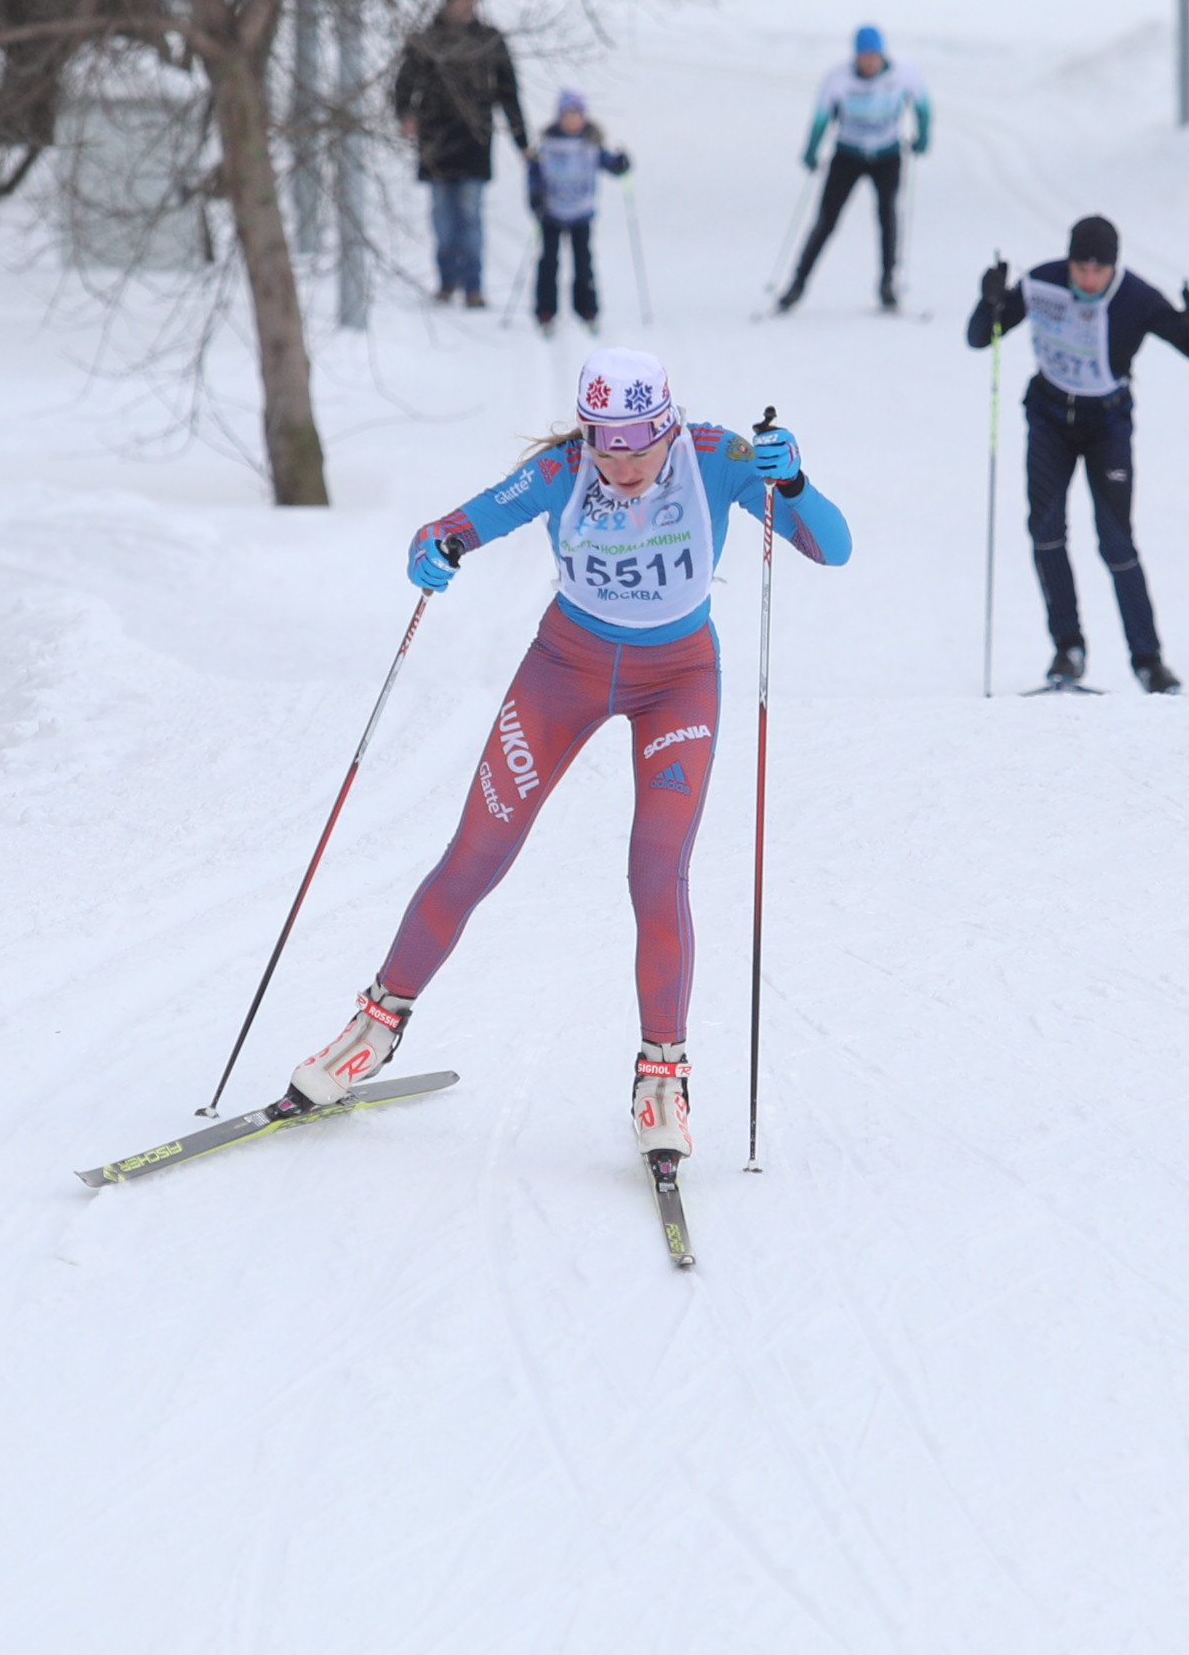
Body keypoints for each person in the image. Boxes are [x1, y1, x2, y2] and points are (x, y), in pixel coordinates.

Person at [284, 350, 855, 1164]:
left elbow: (831, 549)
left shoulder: (719, 458)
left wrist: (794, 483)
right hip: (564, 672)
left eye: (634, 445)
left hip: (678, 682)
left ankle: (663, 1075)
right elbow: (457, 524)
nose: (617, 464)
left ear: (667, 428)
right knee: (476, 853)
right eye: (602, 444)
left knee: (657, 870)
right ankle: (373, 1027)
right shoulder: (563, 469)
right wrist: (434, 547)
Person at [969, 215, 1189, 692]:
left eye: (1098, 271)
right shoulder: (1042, 283)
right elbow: (981, 336)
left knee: (1116, 541)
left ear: (1114, 268)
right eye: (1079, 269)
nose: (1087, 280)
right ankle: (1069, 649)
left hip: (1106, 422)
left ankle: (1149, 661)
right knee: (1045, 533)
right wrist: (990, 301)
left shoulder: (1138, 298)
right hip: (1049, 417)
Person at [388, 0, 528, 311]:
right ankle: (447, 281)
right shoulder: (426, 40)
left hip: (476, 140)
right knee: (442, 219)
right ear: (447, 1)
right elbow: (403, 86)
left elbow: (508, 93)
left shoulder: (490, 40)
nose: (468, 4)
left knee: (471, 216)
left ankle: (473, 287)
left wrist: (522, 142)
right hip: (436, 142)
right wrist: (406, 115)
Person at [782, 26, 931, 313]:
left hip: (887, 154)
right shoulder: (837, 79)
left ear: (882, 54)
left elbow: (923, 106)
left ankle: (888, 285)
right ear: (856, 56)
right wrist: (812, 151)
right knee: (826, 220)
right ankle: (796, 285)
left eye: (873, 57)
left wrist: (923, 136)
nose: (869, 63)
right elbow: (821, 118)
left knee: (888, 216)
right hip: (848, 155)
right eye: (864, 57)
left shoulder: (904, 73)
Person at [524, 89, 631, 336]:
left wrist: (621, 163)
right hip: (551, 213)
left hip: (581, 213)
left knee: (583, 264)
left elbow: (610, 164)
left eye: (577, 115)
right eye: (567, 115)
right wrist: (535, 200)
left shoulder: (591, 143)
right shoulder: (547, 143)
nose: (572, 121)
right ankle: (545, 311)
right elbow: (534, 173)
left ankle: (587, 311)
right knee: (548, 263)